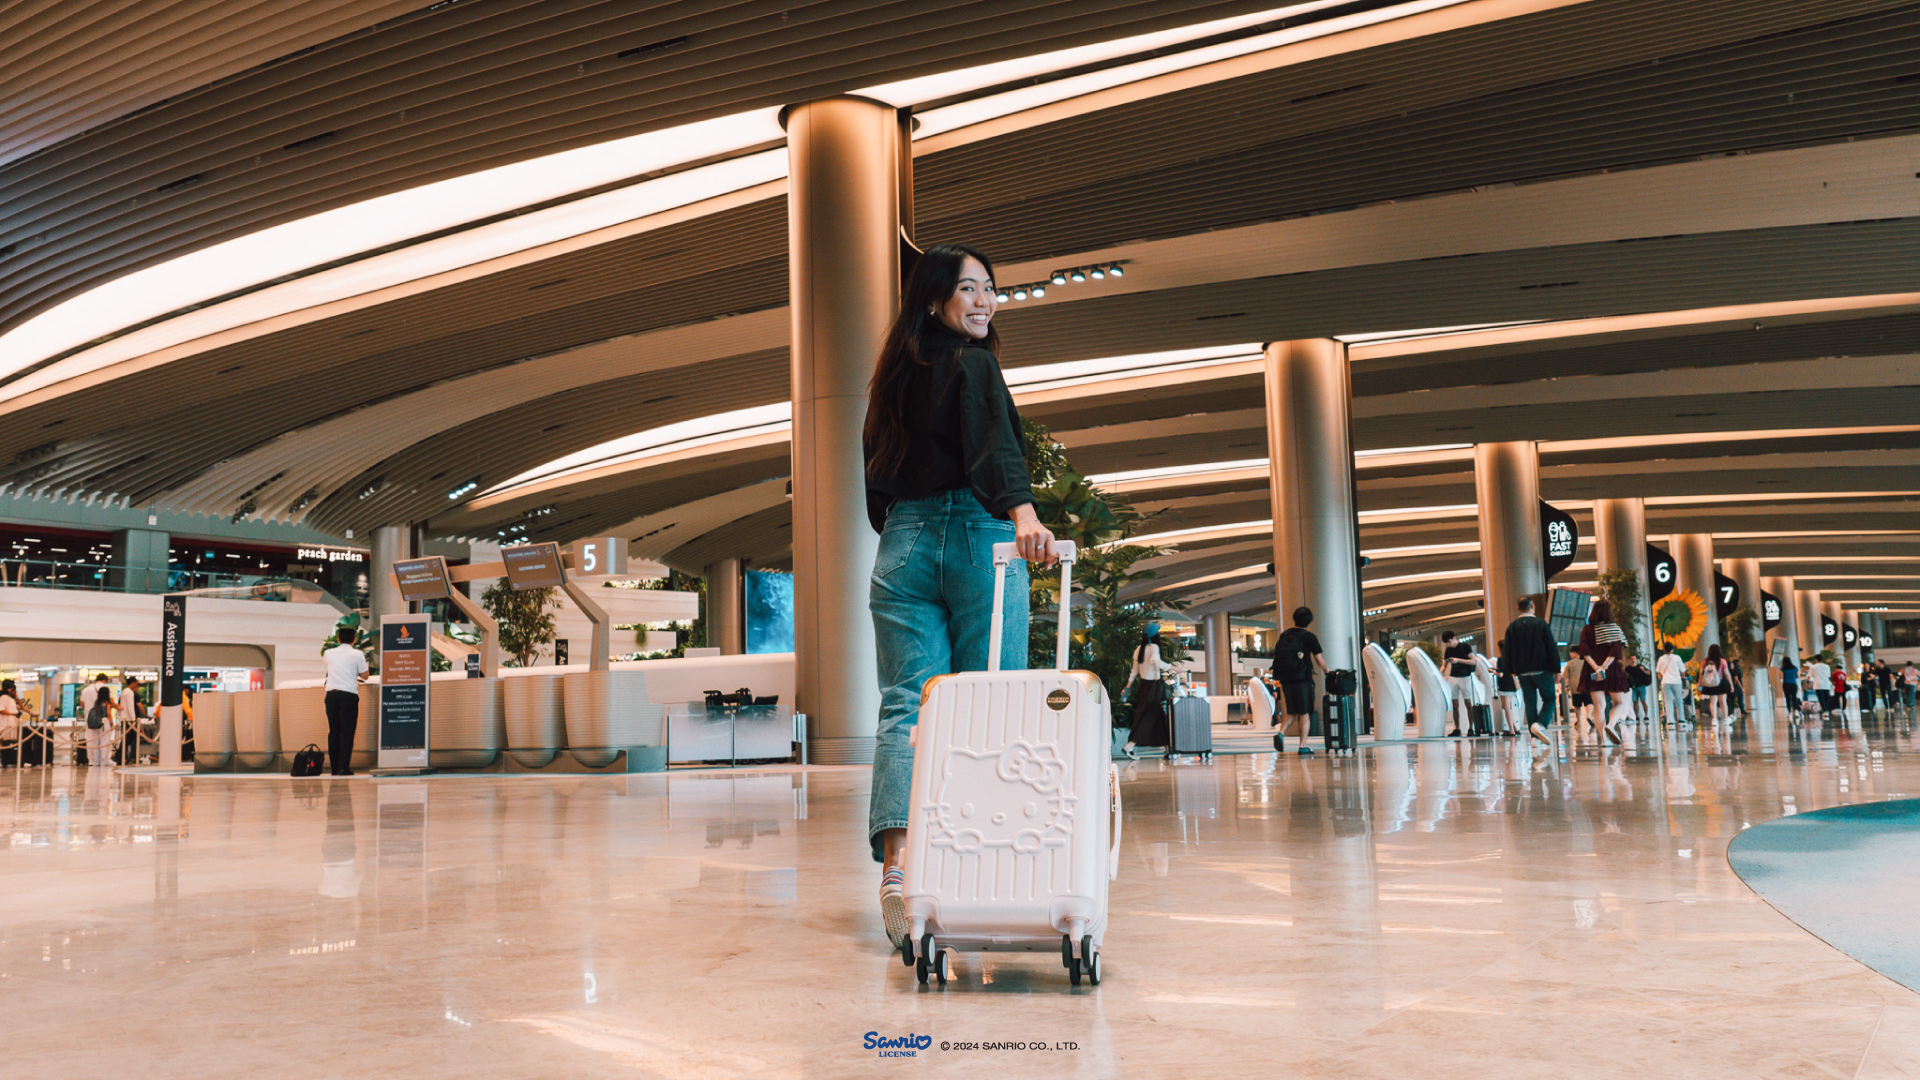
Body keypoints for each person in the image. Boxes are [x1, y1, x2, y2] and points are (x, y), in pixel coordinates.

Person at [862, 243, 1056, 950]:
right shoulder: (975, 363)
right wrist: (1023, 514)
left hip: (903, 544)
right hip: (980, 537)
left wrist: (907, 529)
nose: (983, 301)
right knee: (986, 700)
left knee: (905, 704)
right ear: (936, 297)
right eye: (968, 289)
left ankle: (900, 866)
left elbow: (876, 478)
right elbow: (992, 444)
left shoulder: (892, 374)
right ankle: (979, 868)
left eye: (990, 288)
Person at [1499, 597, 1561, 749]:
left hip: (1522, 672)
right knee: (1549, 699)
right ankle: (1540, 725)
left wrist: (1511, 671)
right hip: (1542, 670)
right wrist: (1556, 669)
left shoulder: (1512, 627)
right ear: (1532, 606)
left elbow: (1506, 652)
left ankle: (1535, 739)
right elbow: (1551, 648)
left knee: (1530, 703)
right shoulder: (1541, 624)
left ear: (1517, 607)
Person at [1270, 607, 1327, 753]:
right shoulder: (1309, 636)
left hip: (1286, 680)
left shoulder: (1285, 635)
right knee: (1304, 712)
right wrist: (1327, 671)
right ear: (1309, 621)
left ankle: (1280, 733)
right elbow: (1319, 659)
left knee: (1291, 711)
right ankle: (1302, 746)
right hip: (1302, 679)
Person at [1577, 601, 1630, 746]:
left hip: (1591, 669)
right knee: (1619, 702)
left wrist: (1596, 667)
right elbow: (1616, 651)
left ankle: (1602, 739)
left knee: (1599, 705)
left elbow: (1584, 651)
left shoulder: (1587, 630)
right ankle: (1611, 725)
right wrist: (1604, 667)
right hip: (1612, 669)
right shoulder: (1614, 629)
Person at [324, 627, 370, 777]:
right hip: (348, 695)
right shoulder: (357, 654)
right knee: (347, 733)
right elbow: (365, 676)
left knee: (334, 732)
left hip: (331, 696)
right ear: (354, 639)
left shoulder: (328, 653)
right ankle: (344, 768)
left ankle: (334, 769)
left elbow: (331, 669)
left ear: (338, 639)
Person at [1123, 624, 1172, 757]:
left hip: (1143, 686)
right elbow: (1157, 662)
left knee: (1157, 716)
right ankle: (1130, 745)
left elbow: (1134, 671)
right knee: (1149, 718)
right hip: (1153, 688)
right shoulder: (1154, 647)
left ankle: (1168, 748)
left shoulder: (1138, 649)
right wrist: (1173, 668)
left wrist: (1128, 687)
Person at [1441, 630, 1475, 737]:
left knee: (1468, 703)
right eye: (1446, 643)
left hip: (1465, 677)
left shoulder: (1465, 646)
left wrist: (1458, 660)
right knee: (1455, 704)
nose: (1448, 644)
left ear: (1454, 638)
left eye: (1449, 641)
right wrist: (1439, 673)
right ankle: (1457, 728)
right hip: (1453, 677)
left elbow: (1473, 661)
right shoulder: (1448, 650)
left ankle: (1471, 728)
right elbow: (1444, 665)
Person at [1697, 645, 1733, 727]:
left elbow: (1701, 673)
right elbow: (1727, 674)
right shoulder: (1722, 661)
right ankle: (1726, 719)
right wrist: (1731, 684)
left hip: (1710, 684)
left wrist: (1699, 683)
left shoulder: (1705, 661)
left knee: (1712, 702)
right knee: (1723, 702)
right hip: (1721, 683)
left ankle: (1714, 720)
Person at [83, 673, 115, 767]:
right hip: (104, 723)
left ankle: (93, 761)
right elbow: (109, 713)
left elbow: (82, 704)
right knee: (104, 742)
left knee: (93, 742)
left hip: (91, 721)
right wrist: (111, 722)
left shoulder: (87, 692)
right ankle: (104, 760)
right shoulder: (106, 702)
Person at [1656, 643, 1686, 728]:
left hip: (1665, 682)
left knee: (1668, 702)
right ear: (1672, 649)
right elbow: (1683, 670)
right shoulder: (1677, 658)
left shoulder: (1661, 659)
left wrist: (1662, 677)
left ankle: (1670, 721)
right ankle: (1681, 719)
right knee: (1679, 700)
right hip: (1676, 682)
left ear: (1664, 649)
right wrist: (1682, 677)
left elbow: (1658, 671)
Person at [1625, 653, 1652, 723]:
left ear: (1636, 660)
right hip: (1633, 687)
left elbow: (1648, 673)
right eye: (1632, 659)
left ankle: (1646, 716)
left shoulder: (1640, 667)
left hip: (1641, 686)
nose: (1633, 660)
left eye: (1634, 659)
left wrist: (1643, 670)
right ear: (1629, 660)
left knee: (1643, 701)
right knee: (1635, 702)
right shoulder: (1627, 669)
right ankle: (1636, 716)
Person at [0, 679, 20, 768]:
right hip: (6, 725)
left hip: (12, 724)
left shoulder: (11, 699)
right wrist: (13, 714)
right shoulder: (4, 698)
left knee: (12, 742)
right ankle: (6, 760)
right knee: (6, 742)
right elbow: (1, 710)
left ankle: (11, 760)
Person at [1779, 650, 1800, 715]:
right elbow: (1798, 676)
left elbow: (1781, 677)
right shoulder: (1795, 668)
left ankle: (1789, 712)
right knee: (1794, 697)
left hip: (1786, 685)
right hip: (1793, 684)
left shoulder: (1783, 669)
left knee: (1787, 698)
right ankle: (1796, 711)